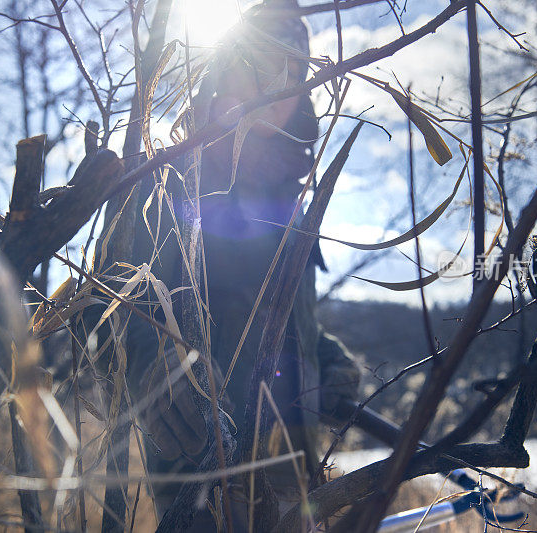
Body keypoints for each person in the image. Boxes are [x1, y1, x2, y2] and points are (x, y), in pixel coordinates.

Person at [124, 0, 361, 526]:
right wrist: (153, 371)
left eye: (293, 71)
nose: (277, 84)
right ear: (225, 67)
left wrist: (333, 363)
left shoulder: (296, 203)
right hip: (203, 485)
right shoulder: (169, 181)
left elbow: (296, 323)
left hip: (294, 482)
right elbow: (120, 312)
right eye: (259, 63)